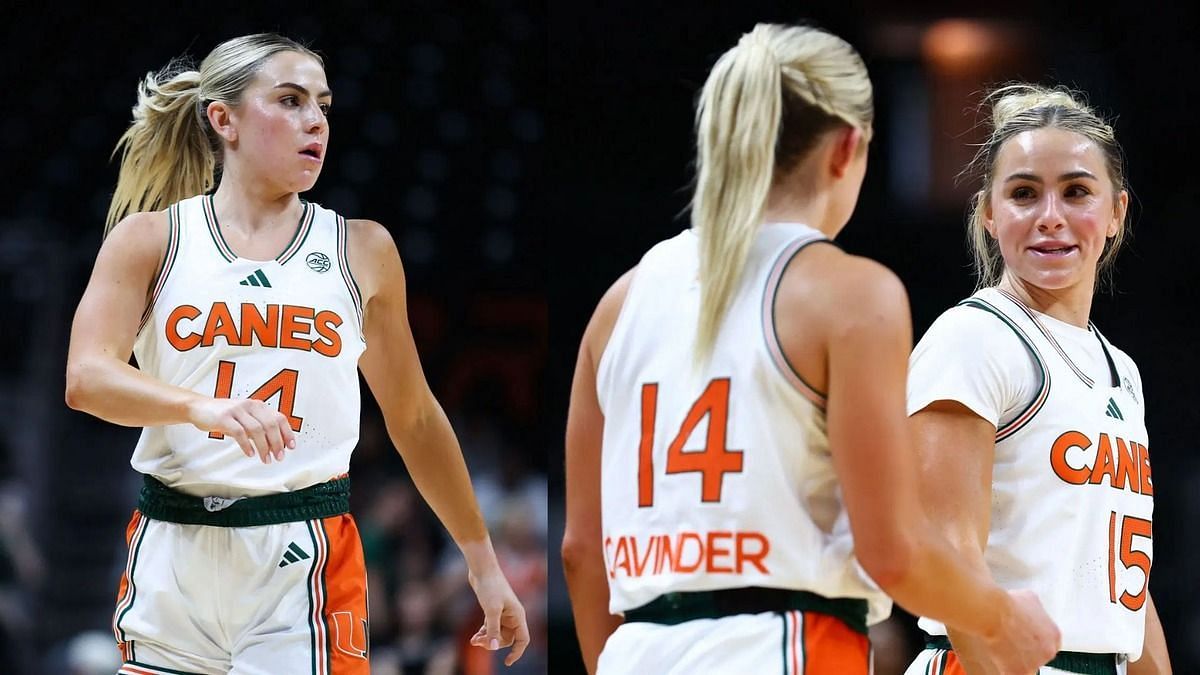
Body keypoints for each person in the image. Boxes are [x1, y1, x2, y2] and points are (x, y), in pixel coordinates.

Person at [561, 22, 1060, 675]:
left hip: (636, 651)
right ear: (847, 148)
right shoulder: (851, 292)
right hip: (786, 646)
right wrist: (1001, 614)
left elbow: (579, 550)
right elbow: (895, 551)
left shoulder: (616, 304)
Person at [64, 33, 529, 674]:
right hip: (171, 547)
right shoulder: (152, 239)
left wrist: (483, 563)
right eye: (288, 100)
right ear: (222, 119)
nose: (315, 120)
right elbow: (87, 377)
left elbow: (416, 417)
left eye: (323, 105)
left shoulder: (360, 249)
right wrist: (201, 407)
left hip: (301, 551)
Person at [905, 84, 1172, 674]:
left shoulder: (1121, 369)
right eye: (1024, 193)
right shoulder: (974, 338)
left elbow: (1123, 589)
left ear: (1116, 212)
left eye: (1076, 191)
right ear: (989, 213)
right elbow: (950, 556)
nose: (1050, 217)